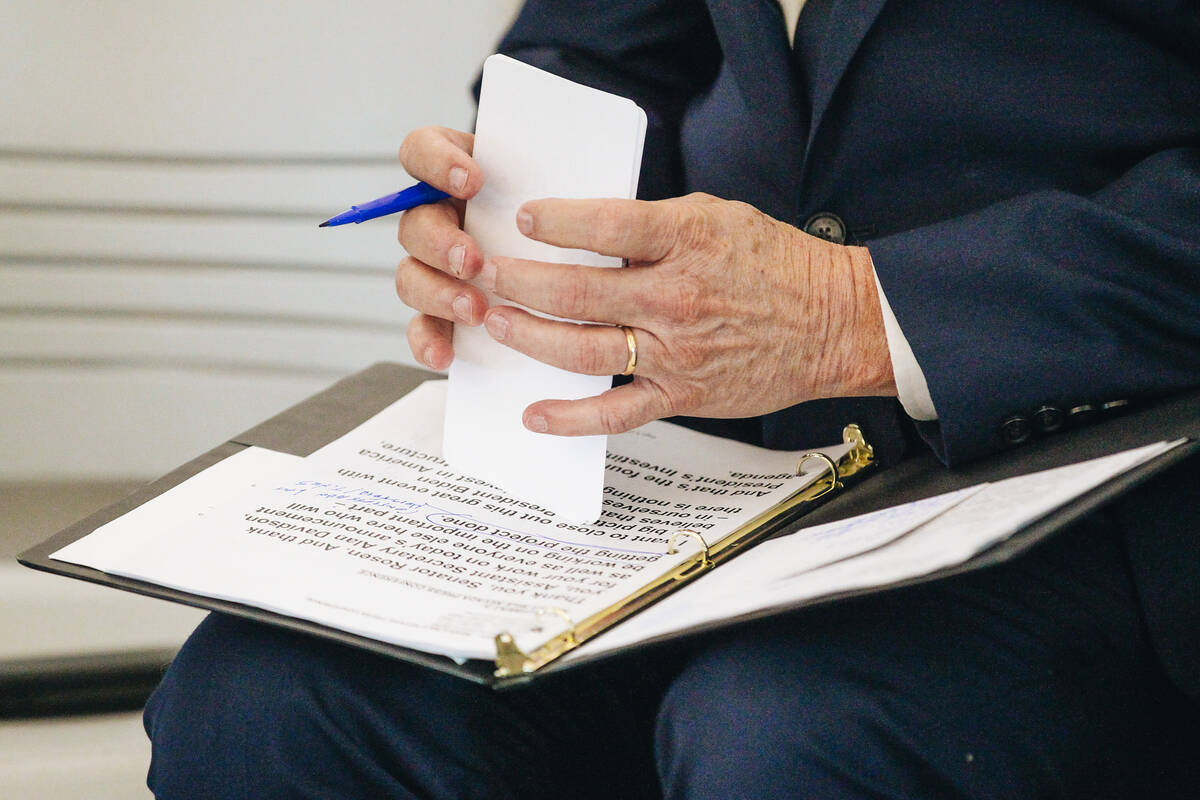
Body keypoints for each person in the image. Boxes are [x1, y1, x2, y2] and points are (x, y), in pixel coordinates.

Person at [143, 1, 1200, 797]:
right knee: (264, 698)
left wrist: (858, 313)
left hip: (1108, 469)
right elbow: (592, 46)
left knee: (779, 736)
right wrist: (511, 223)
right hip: (703, 453)